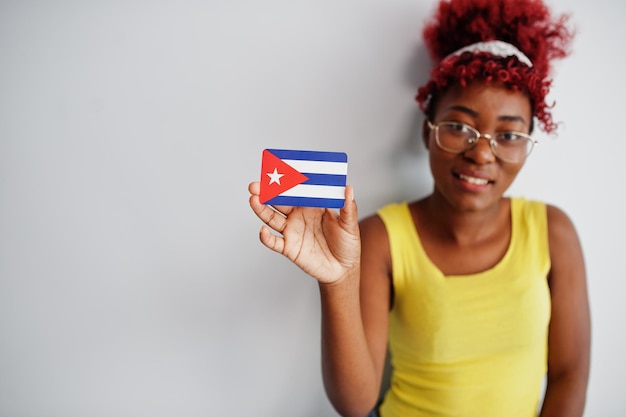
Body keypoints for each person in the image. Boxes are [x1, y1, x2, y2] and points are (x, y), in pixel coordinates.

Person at [248, 0, 591, 416]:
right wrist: (336, 282)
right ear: (427, 133)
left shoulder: (554, 232)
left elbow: (570, 374)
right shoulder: (381, 238)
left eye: (509, 135)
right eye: (459, 127)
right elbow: (356, 403)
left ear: (528, 147)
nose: (482, 154)